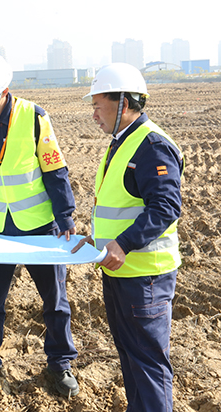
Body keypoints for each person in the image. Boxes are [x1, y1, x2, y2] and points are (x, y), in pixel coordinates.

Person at [0, 51, 79, 401]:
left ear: (4, 91)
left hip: (40, 225)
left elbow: (55, 170)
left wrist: (65, 216)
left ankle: (60, 363)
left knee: (55, 301)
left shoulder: (35, 117)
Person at [72, 62, 183, 411]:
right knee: (132, 359)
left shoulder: (150, 146)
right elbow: (121, 205)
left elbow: (165, 206)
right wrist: (98, 238)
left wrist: (122, 244)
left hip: (145, 276)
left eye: (97, 105)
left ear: (123, 102)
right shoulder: (122, 142)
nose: (93, 115)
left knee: (148, 365)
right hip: (120, 271)